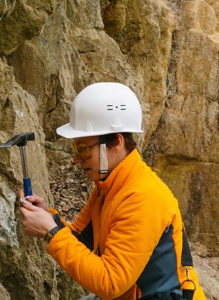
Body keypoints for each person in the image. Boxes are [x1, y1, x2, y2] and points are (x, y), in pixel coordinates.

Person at [19, 82, 206, 300]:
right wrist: (50, 219)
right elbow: (80, 240)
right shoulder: (109, 185)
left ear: (116, 142)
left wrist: (51, 232)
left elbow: (110, 282)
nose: (76, 158)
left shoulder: (143, 197)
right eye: (75, 148)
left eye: (83, 149)